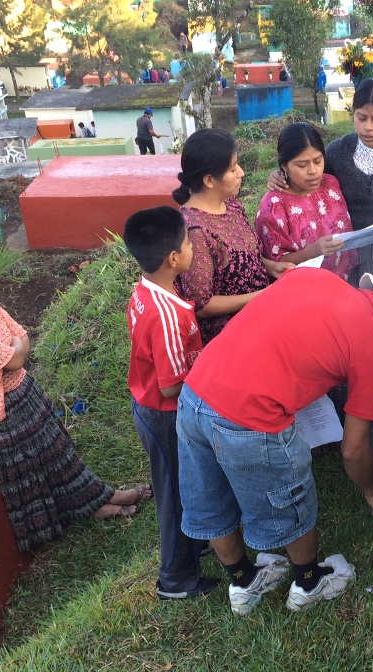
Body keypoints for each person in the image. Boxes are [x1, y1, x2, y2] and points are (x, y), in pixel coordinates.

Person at [177, 267, 373, 616]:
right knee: (294, 497)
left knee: (211, 500)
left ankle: (244, 582)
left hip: (195, 394)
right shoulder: (371, 347)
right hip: (249, 416)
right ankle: (310, 584)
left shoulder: (317, 279)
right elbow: (353, 451)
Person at [0, 248, 151, 553]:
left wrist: (14, 348)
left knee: (58, 450)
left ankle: (101, 497)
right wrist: (14, 348)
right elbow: (16, 357)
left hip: (20, 394)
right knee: (43, 458)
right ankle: (97, 503)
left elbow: (21, 338)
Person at [269, 79, 373, 397]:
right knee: (361, 333)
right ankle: (362, 399)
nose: (368, 128)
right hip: (357, 263)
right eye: (361, 117)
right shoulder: (338, 152)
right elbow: (309, 174)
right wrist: (279, 176)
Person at [122, 206, 220, 601]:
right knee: (177, 494)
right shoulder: (168, 316)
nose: (193, 247)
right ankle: (176, 579)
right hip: (163, 414)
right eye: (188, 242)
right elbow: (171, 388)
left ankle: (196, 543)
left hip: (148, 406)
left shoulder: (148, 290)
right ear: (174, 259)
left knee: (183, 485)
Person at [172, 128, 291, 344]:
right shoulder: (194, 231)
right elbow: (201, 305)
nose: (242, 172)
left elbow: (239, 259)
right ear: (209, 180)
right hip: (230, 337)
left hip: (261, 316)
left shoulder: (231, 205)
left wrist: (269, 267)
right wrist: (259, 297)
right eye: (233, 168)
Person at [255, 122, 356, 282]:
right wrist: (313, 251)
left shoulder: (330, 183)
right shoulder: (274, 206)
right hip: (305, 290)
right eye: (302, 165)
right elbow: (276, 264)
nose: (313, 171)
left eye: (318, 161)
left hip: (347, 282)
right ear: (284, 166)